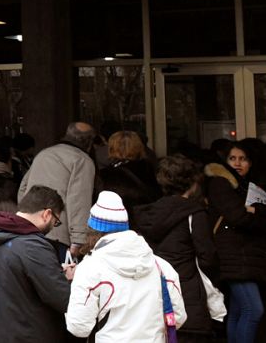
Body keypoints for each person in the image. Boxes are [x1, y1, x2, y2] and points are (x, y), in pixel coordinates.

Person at [0, 185, 71, 342]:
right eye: (56, 222)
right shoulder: (32, 246)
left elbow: (11, 283)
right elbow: (63, 299)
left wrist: (55, 272)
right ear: (47, 214)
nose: (53, 227)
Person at [63, 190, 184, 341]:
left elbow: (79, 327)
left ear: (93, 231)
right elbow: (177, 317)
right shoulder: (162, 267)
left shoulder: (89, 268)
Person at [134, 154, 221, 343]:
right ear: (193, 182)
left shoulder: (145, 215)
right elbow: (208, 257)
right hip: (188, 297)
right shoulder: (195, 213)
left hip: (152, 295)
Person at [204, 137, 266, 343]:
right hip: (235, 256)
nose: (238, 163)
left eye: (243, 159)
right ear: (225, 161)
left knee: (239, 310)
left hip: (244, 256)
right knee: (253, 310)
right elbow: (239, 216)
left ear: (251, 162)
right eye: (232, 158)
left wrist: (255, 211)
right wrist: (256, 215)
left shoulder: (247, 185)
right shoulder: (221, 183)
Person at [17, 121, 96, 254]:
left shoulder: (43, 154)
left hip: (30, 229)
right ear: (88, 142)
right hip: (59, 235)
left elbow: (23, 189)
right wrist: (78, 239)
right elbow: (78, 201)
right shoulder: (82, 161)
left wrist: (27, 217)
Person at [95, 129, 159, 217]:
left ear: (112, 148)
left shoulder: (107, 175)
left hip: (119, 220)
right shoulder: (149, 169)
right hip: (147, 218)